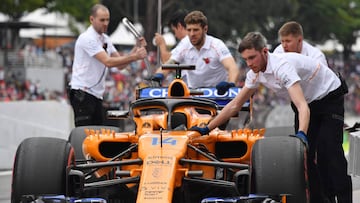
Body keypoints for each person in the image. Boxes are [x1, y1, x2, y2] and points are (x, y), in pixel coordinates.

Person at [191, 32, 352, 203]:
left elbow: (301, 106)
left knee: (328, 150)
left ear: (264, 52)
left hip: (329, 96)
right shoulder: (255, 72)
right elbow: (235, 105)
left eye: (252, 57)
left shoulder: (282, 67)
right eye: (246, 59)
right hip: (307, 101)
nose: (249, 63)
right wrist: (207, 128)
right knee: (305, 156)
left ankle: (344, 199)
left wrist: (302, 134)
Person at [69, 4, 147, 127]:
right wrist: (135, 57)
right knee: (85, 132)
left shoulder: (105, 39)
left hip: (96, 93)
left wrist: (136, 47)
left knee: (97, 132)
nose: (105, 23)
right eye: (102, 20)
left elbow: (120, 64)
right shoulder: (87, 38)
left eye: (107, 20)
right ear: (92, 19)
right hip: (83, 92)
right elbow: (108, 62)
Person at [154, 10, 240, 95]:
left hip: (216, 94)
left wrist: (230, 84)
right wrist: (159, 75)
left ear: (205, 29)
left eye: (195, 30)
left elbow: (233, 68)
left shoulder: (217, 45)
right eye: (189, 30)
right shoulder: (185, 44)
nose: (192, 34)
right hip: (194, 96)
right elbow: (169, 64)